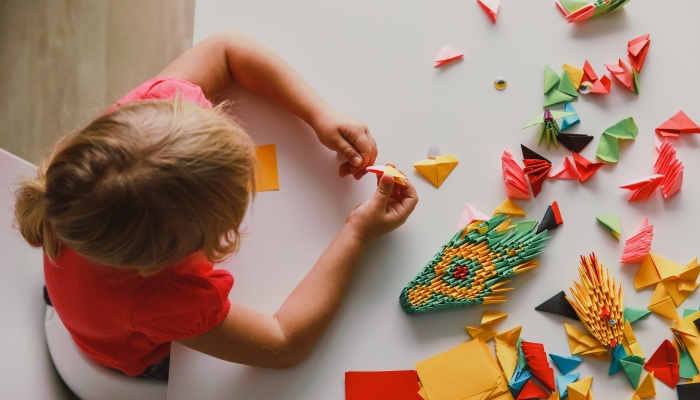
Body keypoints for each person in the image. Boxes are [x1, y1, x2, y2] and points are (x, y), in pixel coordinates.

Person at [14, 31, 417, 381]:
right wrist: (357, 232)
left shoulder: (146, 123)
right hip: (131, 354)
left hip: (87, 295)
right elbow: (283, 342)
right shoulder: (163, 299)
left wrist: (319, 113)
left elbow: (227, 49)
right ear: (174, 255)